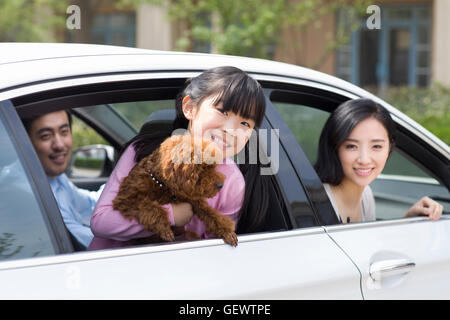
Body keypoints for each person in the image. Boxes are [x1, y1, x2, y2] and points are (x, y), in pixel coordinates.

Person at [88, 66, 270, 250]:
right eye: (223, 111)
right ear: (190, 108)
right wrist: (170, 215)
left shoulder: (231, 182)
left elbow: (214, 252)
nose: (231, 129)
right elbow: (101, 222)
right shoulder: (143, 150)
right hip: (110, 267)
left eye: (245, 123)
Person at [314, 98, 443, 224]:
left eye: (376, 146)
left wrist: (409, 219)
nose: (364, 160)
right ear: (334, 148)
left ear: (389, 148)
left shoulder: (365, 195)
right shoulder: (319, 201)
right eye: (351, 146)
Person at [20, 110, 103, 248]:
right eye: (46, 136)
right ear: (25, 141)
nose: (59, 145)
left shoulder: (53, 177)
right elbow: (88, 243)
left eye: (64, 132)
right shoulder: (27, 193)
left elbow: (90, 203)